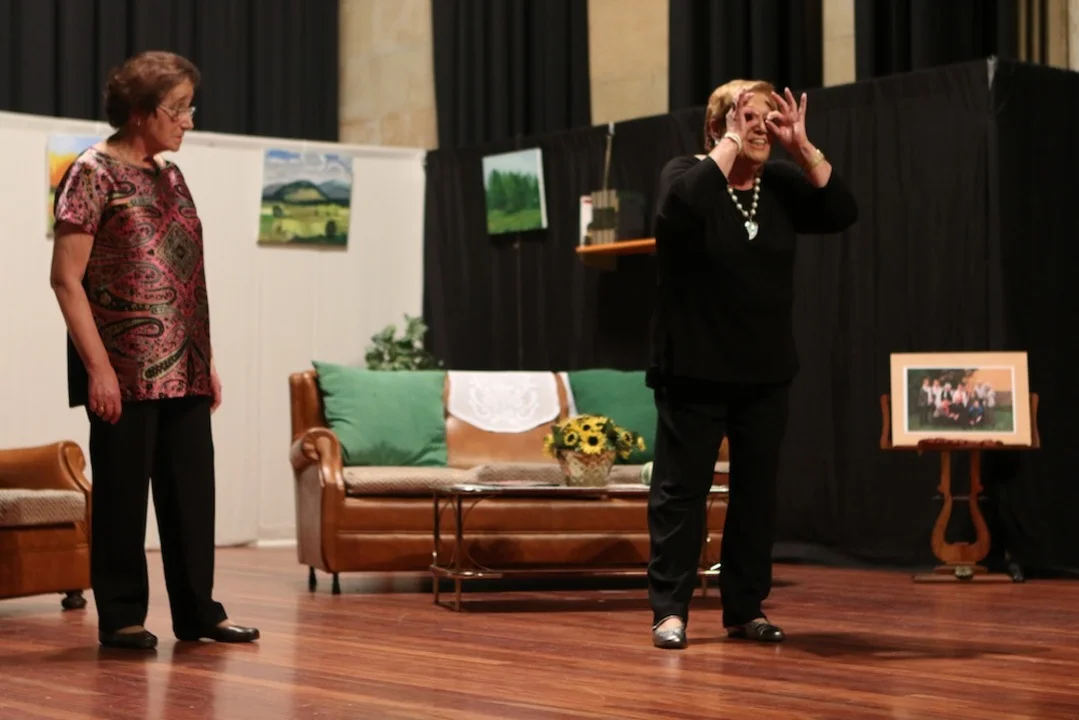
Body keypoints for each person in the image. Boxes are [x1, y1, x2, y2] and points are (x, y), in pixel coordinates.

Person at [49, 51, 259, 650]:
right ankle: (121, 617)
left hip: (185, 364)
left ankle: (199, 612)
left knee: (192, 494)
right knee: (121, 496)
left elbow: (184, 272)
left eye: (190, 108)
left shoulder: (172, 175)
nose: (189, 120)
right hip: (122, 368)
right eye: (179, 109)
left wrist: (206, 361)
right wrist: (98, 370)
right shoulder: (92, 172)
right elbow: (66, 280)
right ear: (142, 112)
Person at [645, 79, 858, 649]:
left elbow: (841, 210)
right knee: (681, 493)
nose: (762, 127)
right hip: (692, 366)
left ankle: (744, 608)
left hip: (764, 371)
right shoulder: (685, 174)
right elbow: (678, 209)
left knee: (756, 495)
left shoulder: (779, 185)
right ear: (717, 125)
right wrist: (732, 143)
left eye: (770, 118)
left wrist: (803, 148)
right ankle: (670, 612)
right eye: (748, 117)